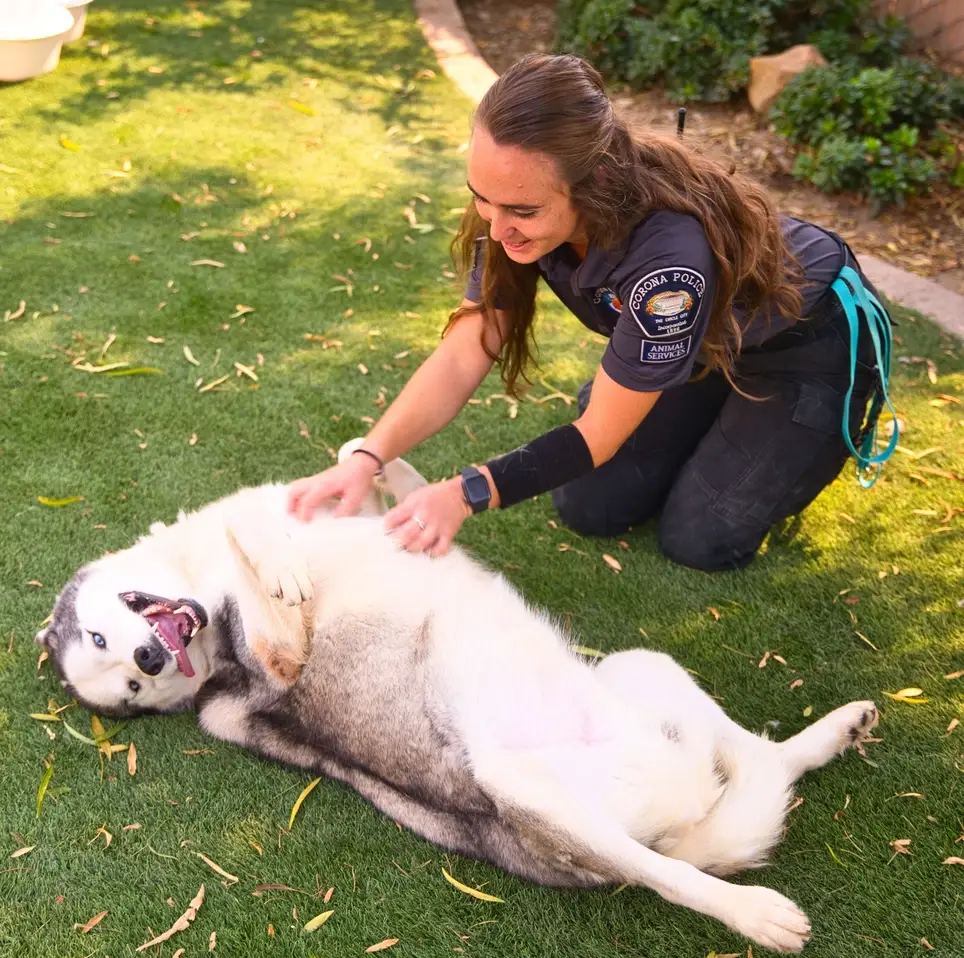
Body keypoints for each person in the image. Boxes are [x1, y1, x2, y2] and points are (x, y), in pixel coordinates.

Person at [288, 54, 896, 572]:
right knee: (590, 507)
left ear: (596, 181)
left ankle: (767, 434)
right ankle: (701, 414)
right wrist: (370, 456)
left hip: (803, 347)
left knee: (700, 539)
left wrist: (466, 491)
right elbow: (470, 344)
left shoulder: (669, 265)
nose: (496, 230)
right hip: (705, 346)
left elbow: (599, 435)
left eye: (520, 210)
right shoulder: (510, 202)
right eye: (482, 199)